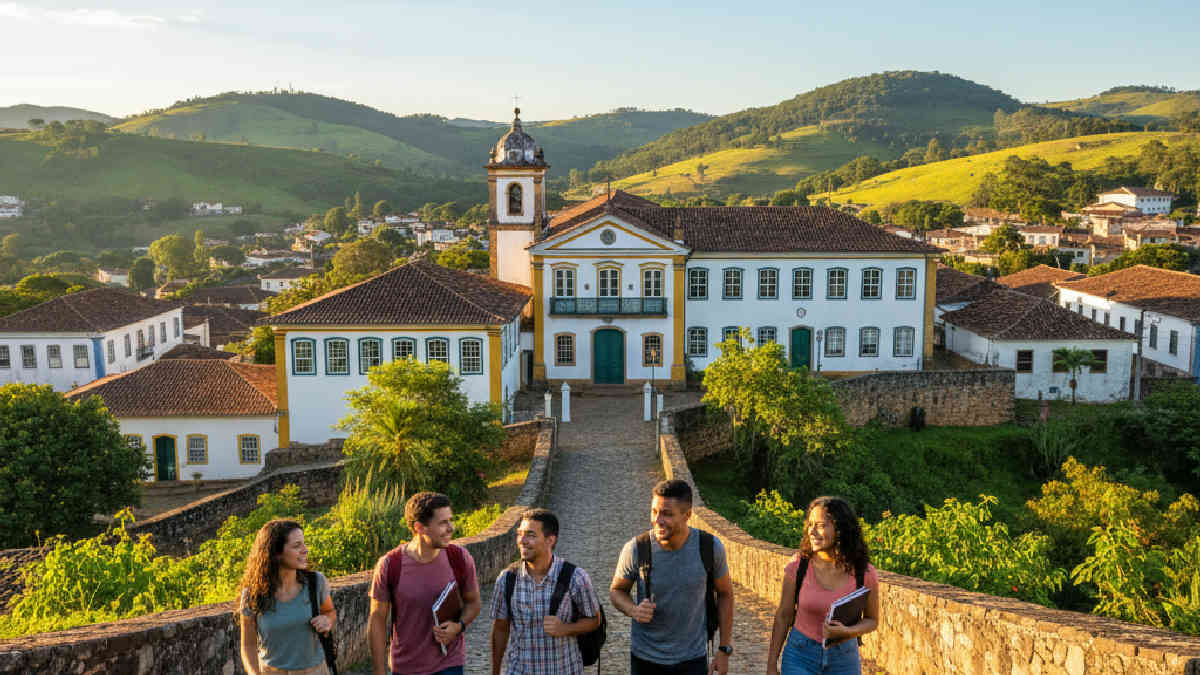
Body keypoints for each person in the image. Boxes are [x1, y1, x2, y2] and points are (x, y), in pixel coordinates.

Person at [611, 479, 735, 675]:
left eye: (667, 514)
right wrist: (633, 610)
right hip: (645, 660)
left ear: (687, 515)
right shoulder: (636, 548)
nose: (657, 520)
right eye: (654, 511)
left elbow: (725, 594)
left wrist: (724, 649)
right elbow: (617, 591)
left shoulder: (709, 548)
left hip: (692, 660)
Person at [368, 491, 482, 675]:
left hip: (449, 664)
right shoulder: (390, 565)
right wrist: (379, 671)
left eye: (450, 520)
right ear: (420, 527)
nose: (451, 528)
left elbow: (474, 602)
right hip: (406, 667)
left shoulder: (459, 558)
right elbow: (377, 620)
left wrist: (458, 626)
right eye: (443, 523)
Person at [766, 496, 880, 675]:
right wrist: (771, 663)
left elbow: (872, 620)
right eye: (810, 524)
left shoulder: (864, 572)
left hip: (844, 659)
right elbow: (783, 616)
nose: (812, 531)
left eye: (820, 525)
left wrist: (849, 632)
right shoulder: (798, 566)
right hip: (800, 655)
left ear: (840, 528)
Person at [490, 508, 603, 674]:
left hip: (564, 669)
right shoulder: (506, 579)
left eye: (531, 535)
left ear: (550, 540)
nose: (522, 540)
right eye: (519, 533)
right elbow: (500, 628)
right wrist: (495, 671)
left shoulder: (576, 577)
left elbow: (594, 620)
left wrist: (564, 629)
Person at [238, 519, 337, 675]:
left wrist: (327, 620)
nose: (305, 550)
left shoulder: (316, 582)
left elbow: (329, 611)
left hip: (315, 671)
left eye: (304, 544)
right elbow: (248, 645)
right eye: (297, 546)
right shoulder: (252, 594)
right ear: (276, 553)